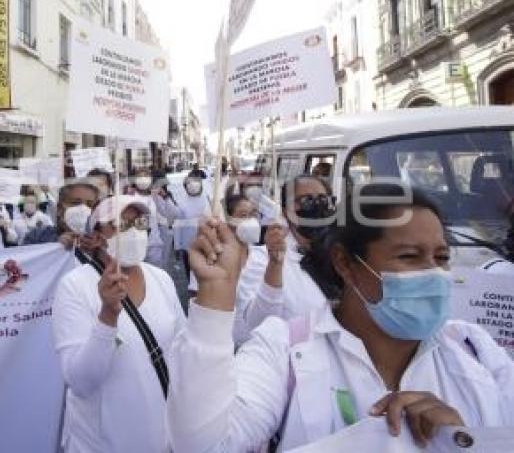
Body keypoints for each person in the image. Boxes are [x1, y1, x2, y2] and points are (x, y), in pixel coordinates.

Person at [168, 183, 514, 452]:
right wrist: (215, 296)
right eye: (409, 256)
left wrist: (466, 441)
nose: (433, 273)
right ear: (346, 264)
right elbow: (204, 445)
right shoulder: (284, 351)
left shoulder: (476, 352)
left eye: (440, 257)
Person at [53, 196, 184, 452]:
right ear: (99, 236)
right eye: (121, 225)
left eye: (139, 223)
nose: (133, 232)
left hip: (162, 438)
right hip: (103, 443)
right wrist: (108, 316)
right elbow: (80, 381)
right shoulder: (74, 287)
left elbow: (182, 348)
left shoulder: (161, 279)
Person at [231, 174, 334, 343]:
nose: (316, 206)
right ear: (286, 212)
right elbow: (257, 324)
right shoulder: (261, 259)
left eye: (323, 199)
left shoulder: (340, 253)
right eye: (305, 201)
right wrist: (275, 264)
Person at [23, 181, 100, 246]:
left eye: (90, 205)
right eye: (76, 203)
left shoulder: (100, 242)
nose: (83, 209)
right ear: (60, 209)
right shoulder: (37, 236)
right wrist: (56, 246)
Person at [131, 168, 180, 267]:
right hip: (136, 247)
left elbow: (174, 214)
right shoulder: (129, 197)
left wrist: (165, 197)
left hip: (154, 247)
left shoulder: (155, 197)